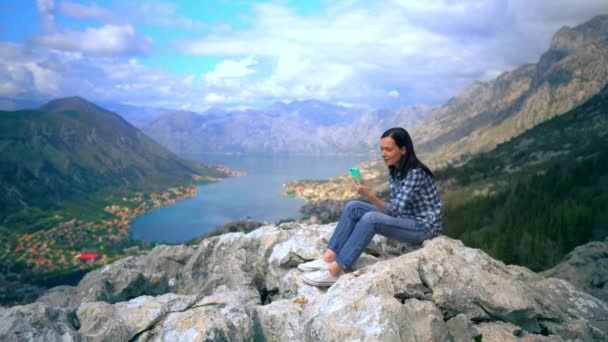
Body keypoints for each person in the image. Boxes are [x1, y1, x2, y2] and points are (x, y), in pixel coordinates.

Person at [299, 127, 443, 287]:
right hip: (406, 219)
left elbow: (394, 211)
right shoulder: (396, 171)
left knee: (371, 219)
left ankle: (335, 271)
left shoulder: (415, 174)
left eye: (388, 149)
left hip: (423, 228)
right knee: (353, 207)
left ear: (403, 150)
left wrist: (369, 194)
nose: (383, 154)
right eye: (382, 149)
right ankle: (328, 258)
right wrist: (369, 195)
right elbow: (395, 208)